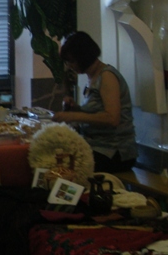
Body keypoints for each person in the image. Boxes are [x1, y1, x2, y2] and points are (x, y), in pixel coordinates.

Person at [52, 31, 137, 173]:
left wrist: (73, 116)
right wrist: (76, 108)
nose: (69, 66)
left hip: (114, 152)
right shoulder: (93, 77)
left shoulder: (107, 76)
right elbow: (96, 112)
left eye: (71, 61)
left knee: (64, 164)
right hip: (97, 147)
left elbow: (112, 118)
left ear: (83, 57)